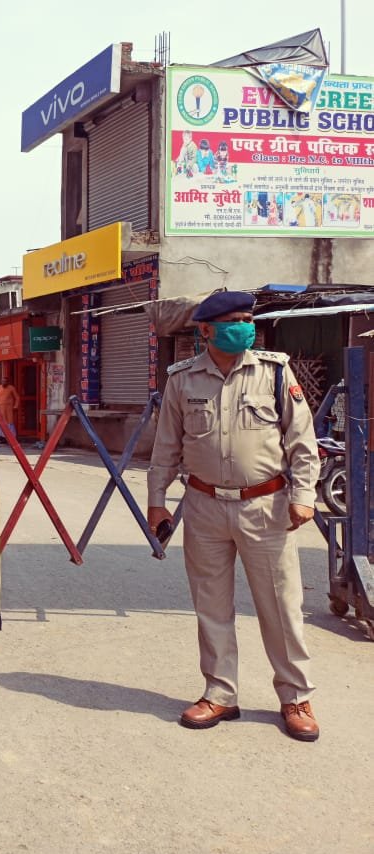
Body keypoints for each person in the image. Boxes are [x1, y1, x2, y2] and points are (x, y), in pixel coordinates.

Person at [147, 290, 320, 742]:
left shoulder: (274, 372)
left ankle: (295, 696)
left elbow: (302, 443)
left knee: (281, 607)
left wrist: (304, 494)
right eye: (232, 320)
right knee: (211, 605)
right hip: (204, 507)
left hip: (267, 506)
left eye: (247, 319)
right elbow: (166, 446)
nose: (243, 326)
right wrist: (156, 500)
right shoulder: (182, 380)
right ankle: (220, 693)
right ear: (205, 330)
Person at [0, 374, 19, 439]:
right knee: (2, 422)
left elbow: (17, 397)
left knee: (10, 422)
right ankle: (3, 438)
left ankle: (12, 437)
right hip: (1, 408)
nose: (4, 382)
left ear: (7, 382)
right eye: (2, 381)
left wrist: (16, 406)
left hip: (9, 408)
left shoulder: (11, 388)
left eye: (5, 381)